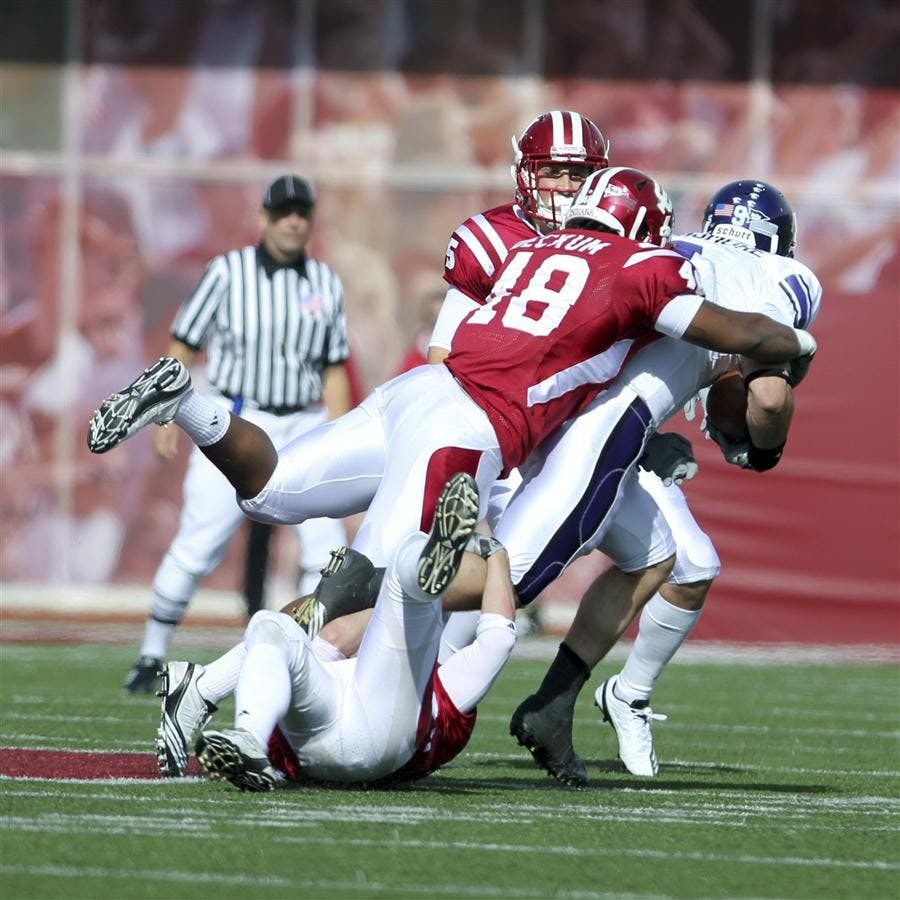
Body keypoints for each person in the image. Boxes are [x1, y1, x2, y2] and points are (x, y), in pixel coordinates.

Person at [89, 168, 816, 720]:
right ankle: (232, 705)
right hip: (476, 427)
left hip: (420, 391)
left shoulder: (521, 244)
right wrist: (799, 345)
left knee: (273, 489)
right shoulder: (644, 268)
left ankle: (189, 403)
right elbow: (737, 342)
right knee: (379, 586)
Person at [499, 178, 821, 783]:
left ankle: (564, 704)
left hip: (536, 405)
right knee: (499, 586)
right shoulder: (783, 278)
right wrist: (768, 442)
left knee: (665, 556)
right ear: (782, 238)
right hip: (594, 432)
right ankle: (345, 643)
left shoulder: (666, 245)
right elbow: (770, 398)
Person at [122, 174, 352, 693]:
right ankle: (151, 654)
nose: (294, 221)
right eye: (284, 211)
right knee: (199, 543)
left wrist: (340, 434)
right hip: (234, 421)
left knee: (325, 549)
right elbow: (184, 344)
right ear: (264, 217)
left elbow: (335, 367)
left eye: (302, 212)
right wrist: (166, 413)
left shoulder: (325, 282)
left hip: (303, 423)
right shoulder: (226, 273)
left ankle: (315, 657)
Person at [189, 473, 517, 790]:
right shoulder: (445, 694)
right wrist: (496, 554)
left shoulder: (430, 691)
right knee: (276, 624)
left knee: (269, 626)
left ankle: (249, 734)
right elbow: (498, 638)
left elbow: (332, 638)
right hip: (380, 746)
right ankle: (421, 563)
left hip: (309, 747)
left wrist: (337, 600)